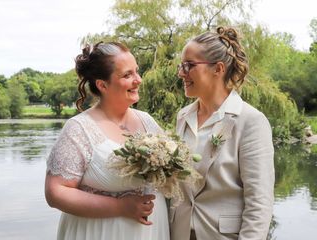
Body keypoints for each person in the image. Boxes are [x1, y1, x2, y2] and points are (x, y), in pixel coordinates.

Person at [45, 41, 169, 240]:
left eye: (137, 71)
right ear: (102, 85)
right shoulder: (79, 129)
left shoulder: (147, 121)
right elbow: (56, 192)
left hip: (151, 232)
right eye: (127, 75)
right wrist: (121, 207)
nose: (138, 80)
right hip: (101, 232)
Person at [170, 27, 275, 240]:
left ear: (217, 69)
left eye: (189, 65)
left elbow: (259, 203)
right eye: (181, 65)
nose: (181, 72)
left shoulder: (250, 121)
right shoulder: (183, 116)